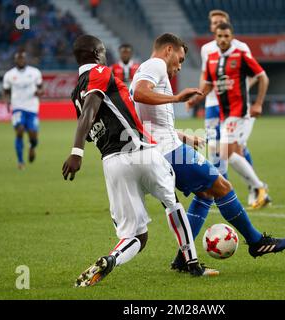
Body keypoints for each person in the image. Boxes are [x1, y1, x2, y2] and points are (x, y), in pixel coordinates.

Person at [62, 35, 216, 287]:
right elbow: (93, 104)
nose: (104, 54)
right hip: (141, 151)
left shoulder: (74, 93)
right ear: (94, 53)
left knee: (137, 236)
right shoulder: (101, 71)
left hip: (113, 163)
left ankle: (111, 259)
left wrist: (179, 135)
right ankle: (192, 263)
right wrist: (76, 151)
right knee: (172, 203)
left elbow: (97, 122)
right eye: (102, 50)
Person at [131, 33, 285, 273]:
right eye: (180, 59)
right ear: (168, 50)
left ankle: (183, 259)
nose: (180, 65)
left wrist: (184, 136)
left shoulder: (145, 68)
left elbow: (149, 121)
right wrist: (176, 98)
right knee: (222, 186)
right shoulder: (155, 65)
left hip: (164, 147)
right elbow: (140, 94)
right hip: (170, 152)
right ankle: (256, 242)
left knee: (206, 193)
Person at [188, 9, 268, 207]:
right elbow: (208, 81)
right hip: (217, 108)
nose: (220, 31)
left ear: (230, 32)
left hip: (238, 108)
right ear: (212, 30)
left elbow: (258, 75)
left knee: (232, 150)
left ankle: (256, 188)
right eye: (216, 25)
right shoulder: (209, 52)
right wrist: (196, 97)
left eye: (223, 27)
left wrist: (253, 100)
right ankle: (225, 189)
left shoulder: (240, 50)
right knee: (216, 148)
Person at [2, 50, 43, 170]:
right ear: (15, 60)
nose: (21, 60)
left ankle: (32, 147)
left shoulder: (35, 72)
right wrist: (7, 101)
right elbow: (5, 91)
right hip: (17, 107)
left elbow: (41, 88)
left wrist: (39, 92)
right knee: (19, 130)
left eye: (23, 58)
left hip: (32, 108)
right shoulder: (9, 75)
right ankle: (20, 161)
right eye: (18, 59)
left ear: (26, 59)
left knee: (33, 135)